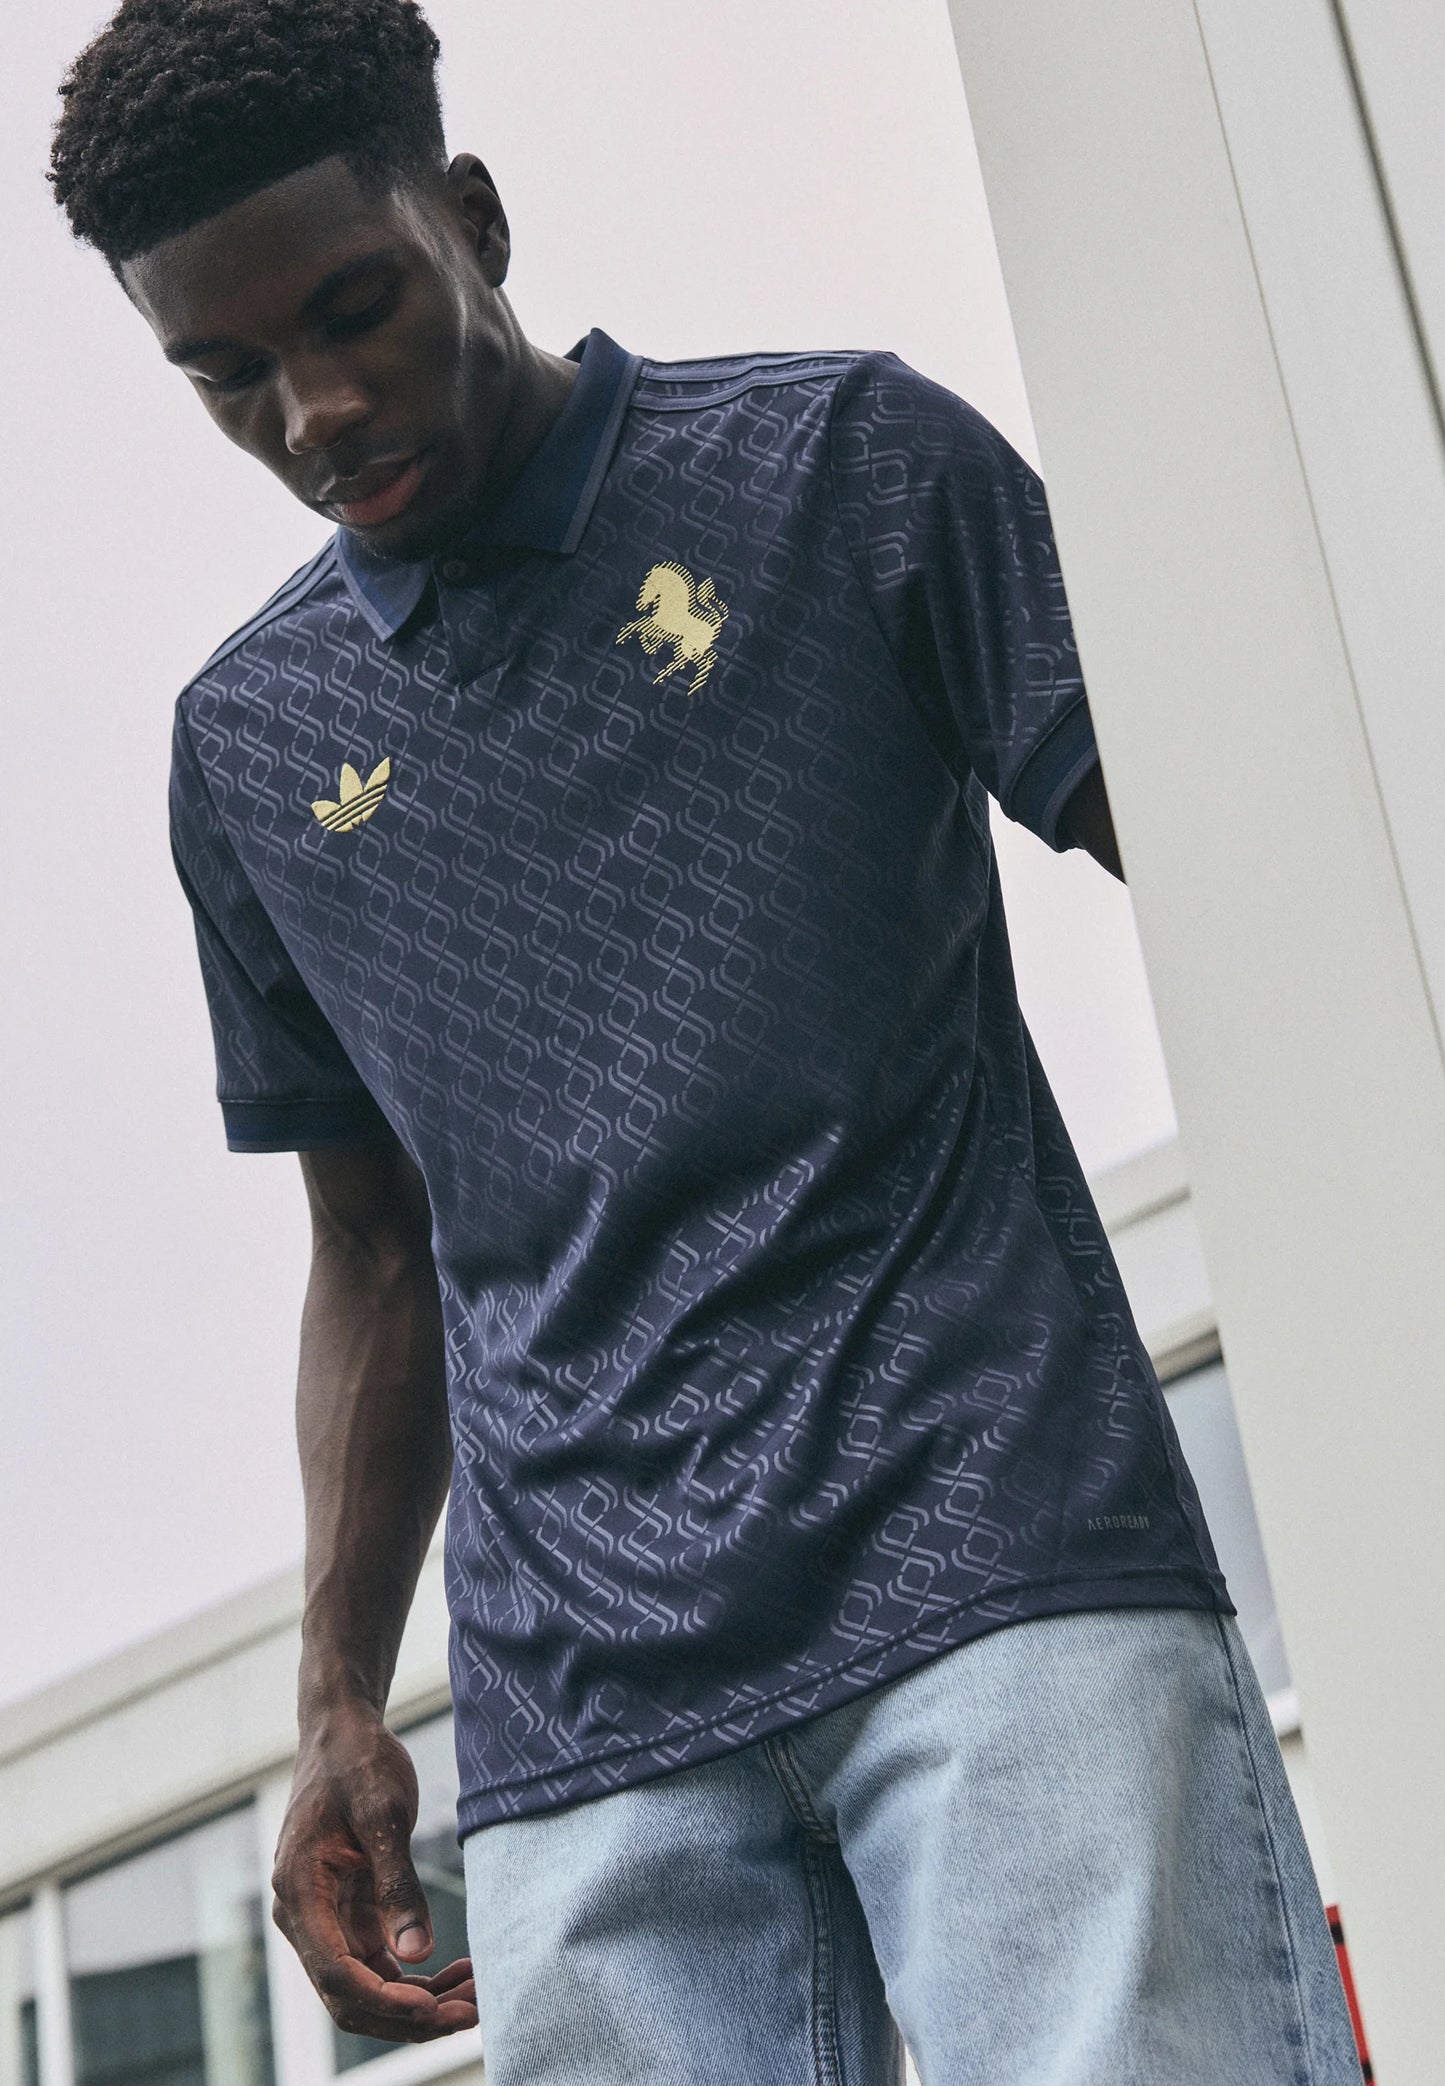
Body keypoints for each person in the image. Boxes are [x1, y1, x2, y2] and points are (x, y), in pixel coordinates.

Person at [50, 3, 1361, 2080]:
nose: (313, 408)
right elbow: (374, 1248)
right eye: (227, 374)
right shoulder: (248, 747)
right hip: (587, 1715)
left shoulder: (843, 465)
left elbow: (1261, 867)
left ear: (471, 218)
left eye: (354, 309)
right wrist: (334, 1697)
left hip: (994, 1556)